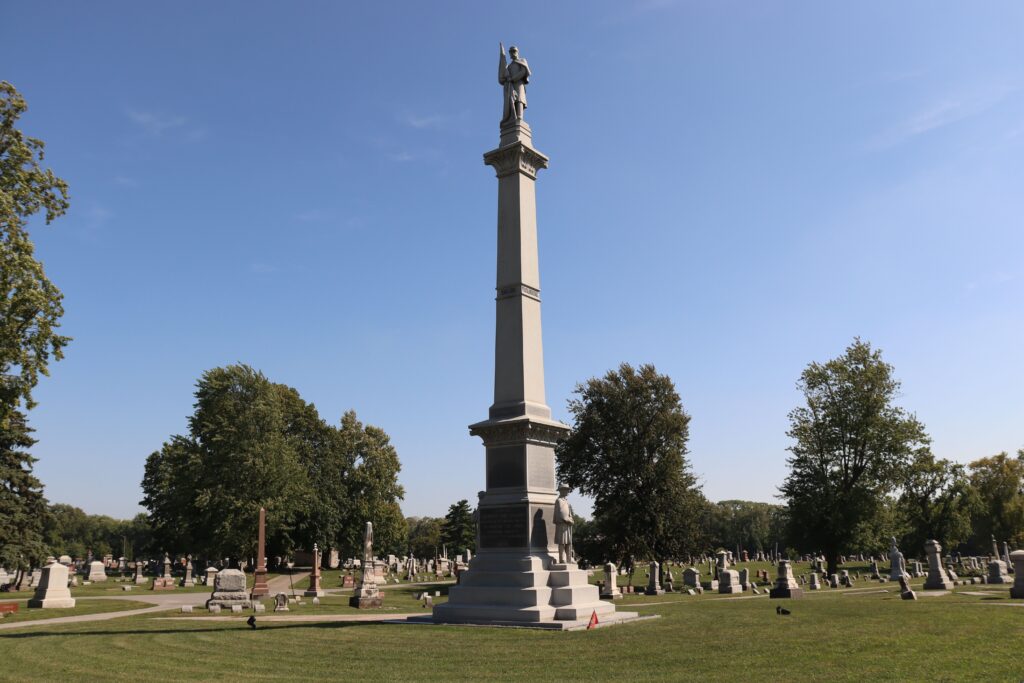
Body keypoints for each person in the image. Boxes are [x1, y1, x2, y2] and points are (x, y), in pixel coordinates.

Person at [498, 43, 531, 124]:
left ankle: (519, 117)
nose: (512, 53)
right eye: (511, 52)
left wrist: (513, 78)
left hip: (519, 83)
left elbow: (523, 72)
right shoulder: (509, 67)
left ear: (517, 52)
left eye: (514, 51)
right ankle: (512, 116)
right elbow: (504, 77)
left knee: (519, 99)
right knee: (512, 100)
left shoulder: (522, 60)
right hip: (511, 85)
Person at [554, 484, 574, 564]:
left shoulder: (566, 501)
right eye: (566, 489)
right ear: (561, 490)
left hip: (567, 524)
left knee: (568, 542)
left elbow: (569, 513)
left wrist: (571, 519)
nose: (567, 491)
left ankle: (569, 559)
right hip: (562, 523)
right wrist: (567, 519)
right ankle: (562, 559)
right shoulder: (559, 501)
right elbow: (561, 513)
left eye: (567, 489)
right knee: (562, 542)